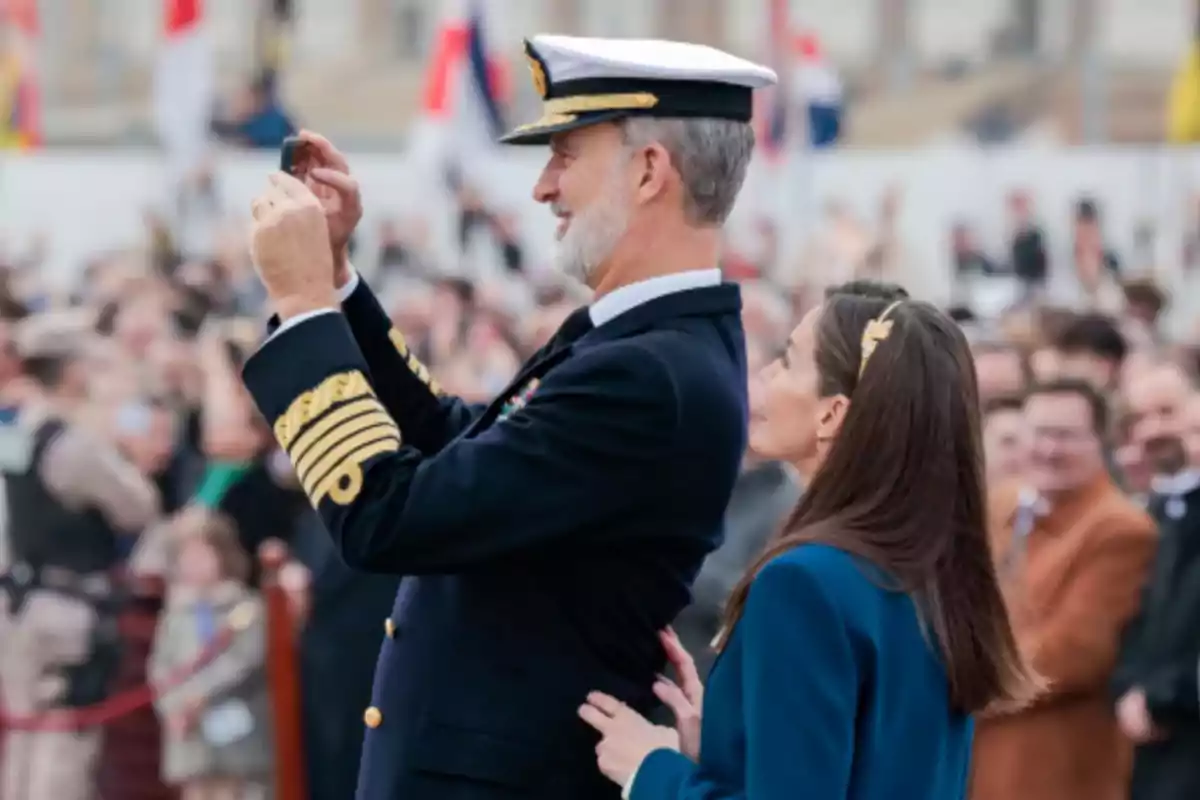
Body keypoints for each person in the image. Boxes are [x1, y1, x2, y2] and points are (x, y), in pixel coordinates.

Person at [241, 34, 776, 800]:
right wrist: (336, 284)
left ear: (650, 170)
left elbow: (387, 518)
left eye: (565, 155)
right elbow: (468, 444)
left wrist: (302, 311)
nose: (543, 188)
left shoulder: (649, 372)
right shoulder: (644, 344)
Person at [579, 288, 1035, 799]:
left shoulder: (806, 581)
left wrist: (652, 771)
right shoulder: (926, 568)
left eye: (789, 361)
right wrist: (734, 742)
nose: (769, 375)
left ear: (832, 413)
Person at [0, 331, 161, 800]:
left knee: (25, 741)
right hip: (70, 609)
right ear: (70, 373)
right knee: (63, 740)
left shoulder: (15, 436)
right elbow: (137, 506)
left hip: (20, 602)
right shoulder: (71, 442)